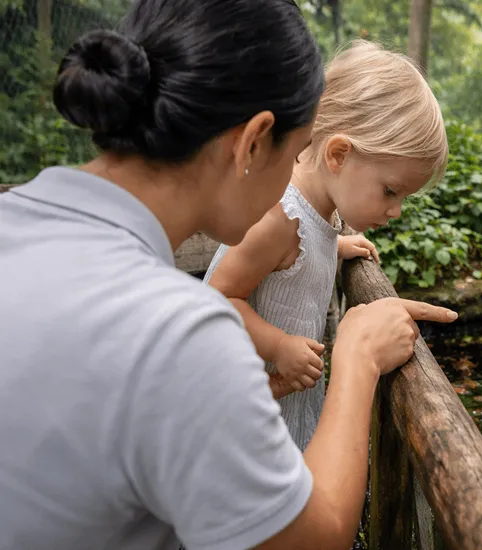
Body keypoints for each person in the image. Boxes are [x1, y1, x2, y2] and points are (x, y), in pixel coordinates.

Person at [0, 1, 457, 550]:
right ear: (254, 142)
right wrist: (357, 356)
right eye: (296, 149)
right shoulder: (181, 335)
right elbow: (312, 540)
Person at [204, 41, 449, 451]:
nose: (396, 211)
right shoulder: (278, 218)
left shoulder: (316, 214)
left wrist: (335, 244)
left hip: (280, 396)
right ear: (338, 154)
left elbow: (294, 256)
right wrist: (279, 346)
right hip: (246, 410)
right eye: (391, 190)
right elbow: (216, 298)